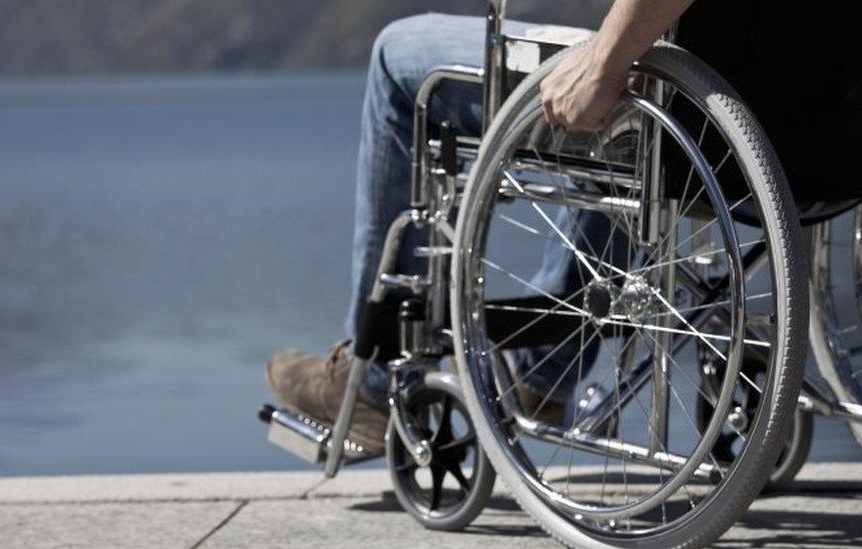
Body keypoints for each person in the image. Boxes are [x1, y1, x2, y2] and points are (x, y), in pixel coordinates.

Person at [265, 0, 862, 451]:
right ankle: (543, 369)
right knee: (628, 126)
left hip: (689, 111)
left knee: (399, 55)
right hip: (819, 151)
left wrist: (606, 57)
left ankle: (371, 380)